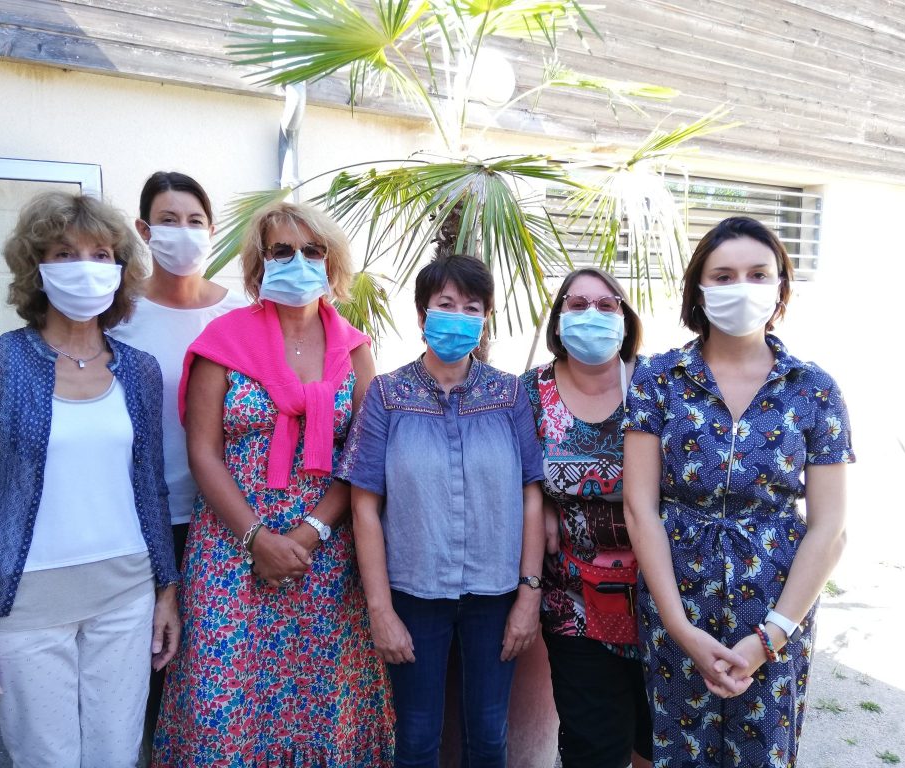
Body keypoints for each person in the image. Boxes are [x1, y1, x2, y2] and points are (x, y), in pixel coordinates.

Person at [0, 191, 179, 767]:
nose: (86, 267)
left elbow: (150, 487)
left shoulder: (139, 371)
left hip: (124, 598)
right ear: (37, 268)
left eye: (101, 254)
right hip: (23, 608)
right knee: (47, 760)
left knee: (117, 756)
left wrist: (166, 591)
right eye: (65, 253)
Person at [151, 200, 393, 766]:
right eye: (282, 251)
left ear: (332, 266)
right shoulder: (223, 340)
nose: (299, 262)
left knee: (322, 703)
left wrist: (307, 534)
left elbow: (363, 456)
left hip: (325, 556)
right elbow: (203, 453)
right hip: (231, 551)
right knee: (223, 701)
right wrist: (257, 538)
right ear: (260, 266)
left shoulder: (355, 350)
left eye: (313, 251)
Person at [622, 217, 853, 767]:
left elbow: (830, 526)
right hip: (677, 602)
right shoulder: (659, 379)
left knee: (764, 754)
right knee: (677, 753)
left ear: (780, 287)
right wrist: (678, 626)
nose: (740, 287)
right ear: (699, 291)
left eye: (757, 273)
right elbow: (640, 506)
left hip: (776, 605)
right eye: (722, 276)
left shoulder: (814, 390)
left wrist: (769, 638)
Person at [337, 254, 545, 768]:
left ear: (485, 318)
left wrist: (528, 595)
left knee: (490, 739)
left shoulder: (510, 394)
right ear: (423, 315)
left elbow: (530, 496)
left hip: (495, 595)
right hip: (414, 594)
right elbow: (364, 506)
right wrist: (380, 609)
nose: (457, 316)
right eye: (445, 304)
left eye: (470, 307)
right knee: (416, 738)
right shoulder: (386, 394)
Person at [108, 171, 247, 755]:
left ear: (212, 232)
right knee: (150, 674)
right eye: (168, 221)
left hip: (224, 519)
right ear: (144, 230)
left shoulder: (239, 314)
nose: (182, 233)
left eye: (195, 221)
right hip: (142, 516)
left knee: (215, 678)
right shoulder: (117, 313)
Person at [520, 267, 651, 768]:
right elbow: (522, 474)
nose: (591, 315)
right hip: (573, 602)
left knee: (654, 740)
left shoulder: (657, 384)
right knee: (592, 746)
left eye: (606, 304)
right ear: (558, 319)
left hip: (660, 600)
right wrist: (547, 502)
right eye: (576, 305)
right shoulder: (530, 392)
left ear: (625, 317)